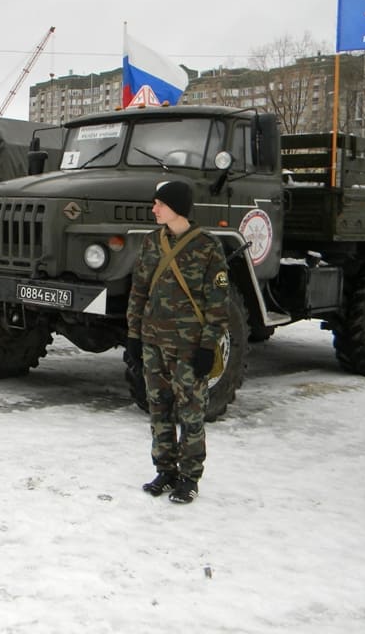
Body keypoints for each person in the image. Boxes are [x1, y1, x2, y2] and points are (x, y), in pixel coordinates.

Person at [125, 181, 230, 504]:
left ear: (177, 208)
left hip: (188, 346)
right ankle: (165, 470)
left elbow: (218, 304)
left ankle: (189, 477)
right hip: (153, 340)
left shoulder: (208, 247)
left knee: (191, 412)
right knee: (159, 408)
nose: (154, 209)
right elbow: (139, 290)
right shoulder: (152, 242)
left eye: (160, 204)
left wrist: (207, 346)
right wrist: (133, 336)